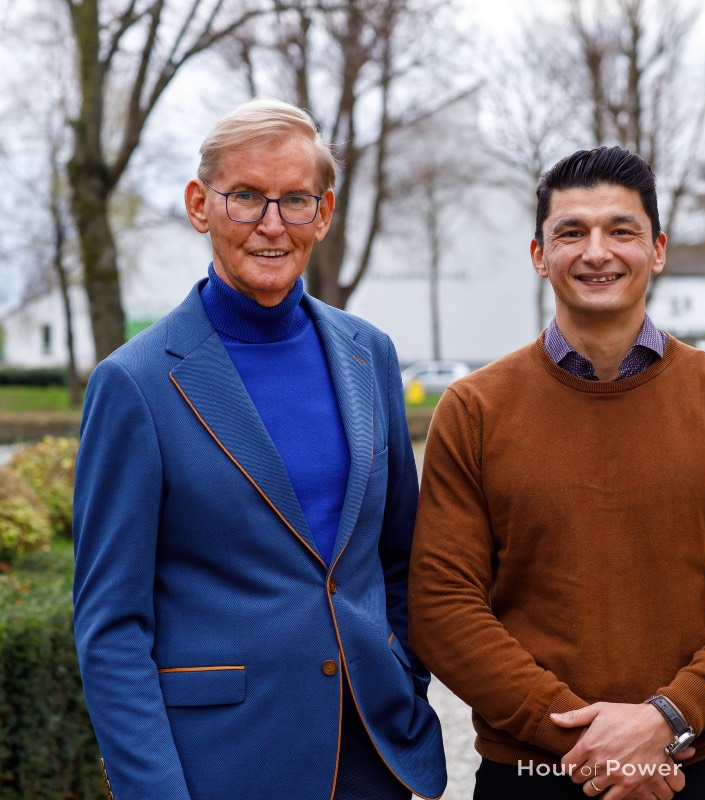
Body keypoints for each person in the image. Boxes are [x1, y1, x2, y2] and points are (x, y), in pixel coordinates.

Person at [72, 97, 445, 800]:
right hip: (222, 769)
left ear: (324, 213)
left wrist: (402, 671)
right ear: (199, 204)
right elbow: (111, 627)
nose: (272, 225)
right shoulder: (136, 384)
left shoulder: (372, 354)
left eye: (294, 200)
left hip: (376, 760)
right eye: (245, 197)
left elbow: (403, 556)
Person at [408, 145, 705, 800]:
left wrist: (665, 722)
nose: (597, 252)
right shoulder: (475, 409)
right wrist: (591, 745)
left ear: (657, 250)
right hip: (535, 773)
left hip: (699, 770)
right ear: (539, 255)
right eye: (572, 232)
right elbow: (443, 606)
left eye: (621, 230)